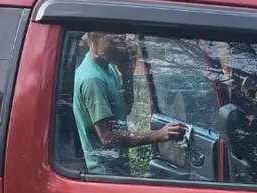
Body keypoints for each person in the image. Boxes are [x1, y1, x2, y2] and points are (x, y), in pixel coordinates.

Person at [73, 32, 185, 175]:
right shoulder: (93, 80)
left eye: (122, 39)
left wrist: (127, 73)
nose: (122, 47)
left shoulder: (108, 67)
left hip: (117, 166)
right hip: (106, 172)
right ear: (95, 38)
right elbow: (108, 137)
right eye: (115, 40)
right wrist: (157, 135)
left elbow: (125, 108)